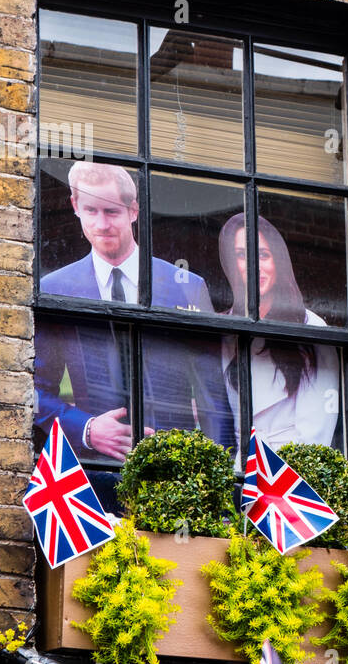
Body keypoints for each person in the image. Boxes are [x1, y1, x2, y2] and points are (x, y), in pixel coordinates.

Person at [34, 161, 234, 460]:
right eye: (91, 211)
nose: (102, 224)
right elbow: (33, 392)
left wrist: (218, 474)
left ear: (133, 211)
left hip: (175, 473)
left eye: (112, 211)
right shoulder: (55, 288)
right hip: (91, 473)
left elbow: (214, 398)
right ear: (75, 206)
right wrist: (86, 428)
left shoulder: (186, 286)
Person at [218, 213, 341, 448]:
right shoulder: (224, 328)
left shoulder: (310, 326)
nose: (255, 266)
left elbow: (316, 431)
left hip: (286, 470)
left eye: (263, 255)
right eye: (242, 256)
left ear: (278, 261)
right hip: (237, 469)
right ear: (231, 264)